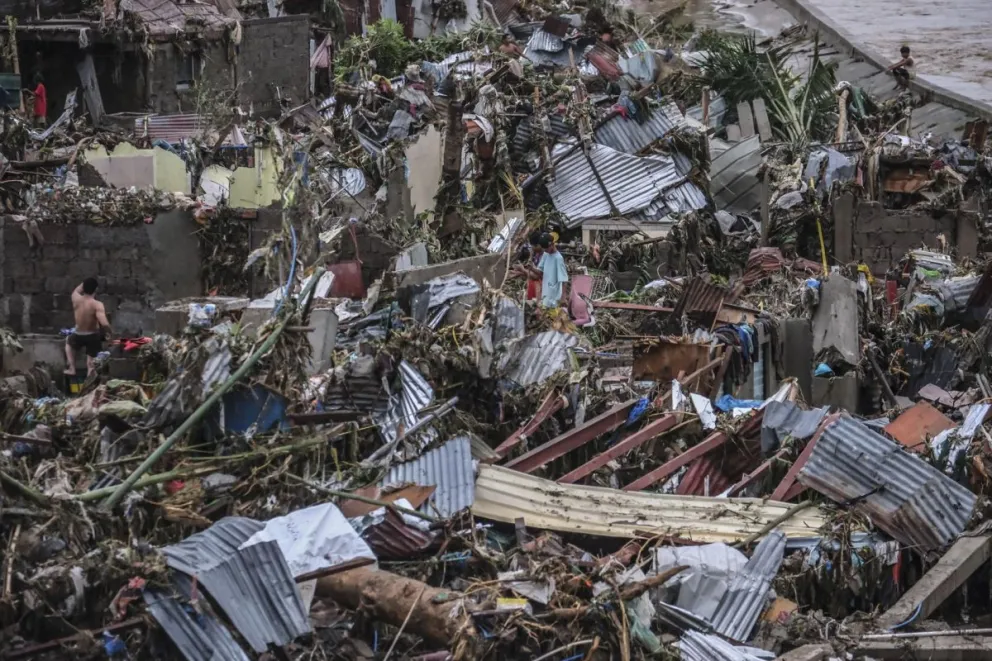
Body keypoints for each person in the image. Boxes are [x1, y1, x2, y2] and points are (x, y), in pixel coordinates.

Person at [65, 278, 111, 377]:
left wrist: (84, 284)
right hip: (92, 335)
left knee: (69, 343)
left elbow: (77, 290)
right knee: (91, 364)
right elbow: (104, 323)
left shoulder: (75, 298)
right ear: (96, 290)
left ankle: (72, 367)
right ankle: (89, 381)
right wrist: (109, 333)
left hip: (78, 334)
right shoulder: (97, 304)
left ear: (83, 287)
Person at [526, 233, 569, 308]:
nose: (545, 250)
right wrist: (532, 268)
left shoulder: (558, 258)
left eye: (546, 248)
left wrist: (563, 297)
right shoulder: (546, 255)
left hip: (555, 297)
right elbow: (540, 272)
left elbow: (564, 280)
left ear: (551, 245)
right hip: (546, 294)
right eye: (544, 249)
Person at [513, 231, 545, 301]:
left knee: (526, 280)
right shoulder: (538, 253)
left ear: (539, 245)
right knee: (516, 273)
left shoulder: (544, 257)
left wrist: (523, 269)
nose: (532, 248)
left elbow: (537, 276)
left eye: (533, 246)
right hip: (539, 277)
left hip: (544, 283)